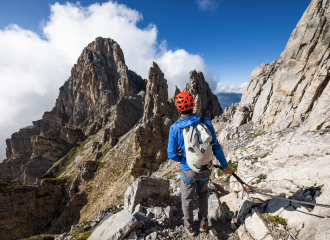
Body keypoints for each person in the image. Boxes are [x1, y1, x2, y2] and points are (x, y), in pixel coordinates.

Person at [167, 91, 232, 236]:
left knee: (187, 197)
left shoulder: (175, 128)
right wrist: (225, 166)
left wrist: (185, 160)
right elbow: (216, 147)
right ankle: (203, 223)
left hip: (188, 170)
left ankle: (189, 227)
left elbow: (171, 154)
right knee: (203, 194)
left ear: (178, 109)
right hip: (206, 168)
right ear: (193, 105)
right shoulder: (206, 121)